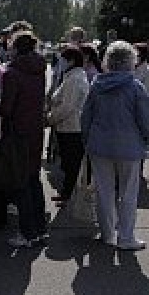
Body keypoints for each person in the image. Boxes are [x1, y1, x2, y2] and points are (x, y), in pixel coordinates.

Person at [81, 40, 149, 251]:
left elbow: (86, 115)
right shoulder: (135, 87)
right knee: (128, 193)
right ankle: (126, 237)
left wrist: (86, 139)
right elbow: (145, 118)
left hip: (99, 145)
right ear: (131, 61)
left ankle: (107, 233)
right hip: (129, 147)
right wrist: (146, 138)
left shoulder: (96, 85)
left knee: (103, 191)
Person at [0, 31, 48, 248]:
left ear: (15, 48)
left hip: (18, 131)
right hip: (35, 129)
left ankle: (27, 232)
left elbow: (7, 108)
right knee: (34, 179)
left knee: (20, 182)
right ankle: (40, 229)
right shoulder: (40, 69)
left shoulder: (12, 73)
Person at [47, 46, 89, 204]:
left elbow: (67, 107)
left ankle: (68, 195)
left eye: (63, 60)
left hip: (71, 128)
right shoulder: (72, 76)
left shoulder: (75, 79)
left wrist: (50, 118)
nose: (61, 63)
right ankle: (67, 193)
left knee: (71, 163)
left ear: (71, 61)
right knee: (68, 162)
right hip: (67, 127)